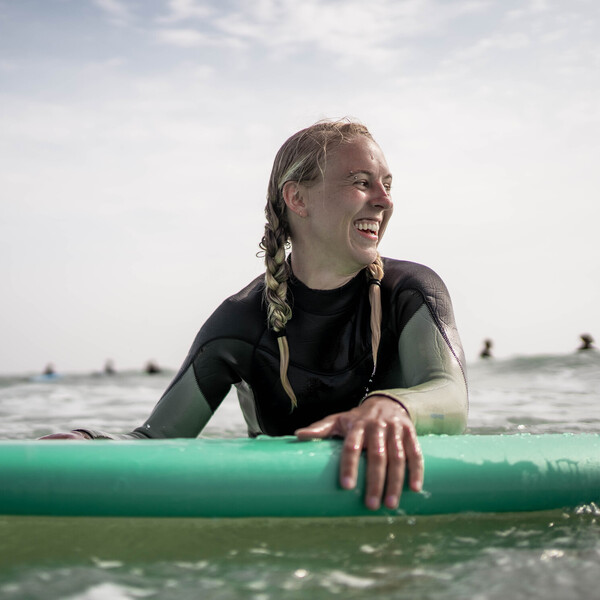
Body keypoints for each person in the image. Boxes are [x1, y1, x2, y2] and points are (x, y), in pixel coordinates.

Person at [40, 119, 468, 511]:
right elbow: (156, 439)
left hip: (391, 503)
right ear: (297, 198)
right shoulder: (239, 322)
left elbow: (450, 393)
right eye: (362, 182)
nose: (384, 200)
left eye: (387, 184)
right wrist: (84, 442)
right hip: (283, 511)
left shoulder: (410, 292)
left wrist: (392, 406)